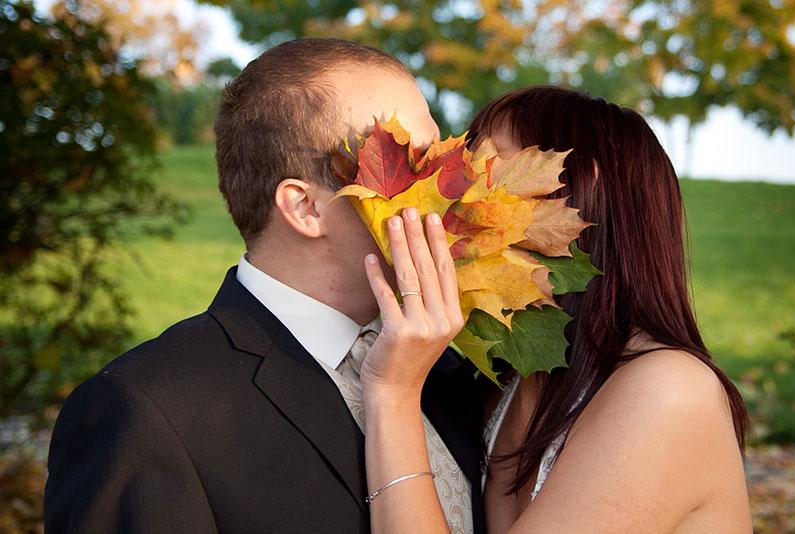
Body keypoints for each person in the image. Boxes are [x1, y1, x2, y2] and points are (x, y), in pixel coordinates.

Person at [44, 38, 486, 533]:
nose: (453, 184)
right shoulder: (147, 411)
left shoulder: (448, 367)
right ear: (306, 208)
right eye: (413, 163)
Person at [358, 86, 753, 533]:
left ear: (579, 190)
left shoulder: (668, 392)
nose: (456, 187)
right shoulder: (510, 378)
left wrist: (393, 395)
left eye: (485, 164)